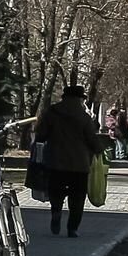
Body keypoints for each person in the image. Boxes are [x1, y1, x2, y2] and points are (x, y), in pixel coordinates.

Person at [37, 84, 107, 237]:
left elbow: (40, 135)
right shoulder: (84, 117)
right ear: (80, 99)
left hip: (55, 162)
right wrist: (99, 149)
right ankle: (72, 228)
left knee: (56, 193)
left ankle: (56, 212)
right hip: (79, 164)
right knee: (77, 197)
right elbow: (92, 139)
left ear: (64, 97)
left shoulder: (52, 112)